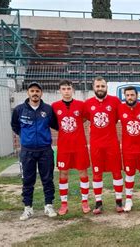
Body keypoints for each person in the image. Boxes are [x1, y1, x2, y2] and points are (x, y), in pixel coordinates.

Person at [11, 82, 58, 221]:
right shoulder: (19, 110)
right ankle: (28, 208)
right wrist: (26, 138)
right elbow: (15, 126)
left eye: (37, 91)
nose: (35, 93)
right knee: (27, 180)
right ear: (28, 93)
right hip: (27, 151)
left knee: (48, 180)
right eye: (32, 91)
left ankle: (48, 206)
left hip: (45, 151)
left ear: (41, 93)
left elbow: (55, 125)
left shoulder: (48, 110)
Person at [84, 76, 124, 214]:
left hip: (112, 143)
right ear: (93, 87)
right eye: (97, 86)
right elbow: (85, 118)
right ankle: (98, 202)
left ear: (106, 87)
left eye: (102, 86)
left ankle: (119, 201)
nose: (100, 89)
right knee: (97, 173)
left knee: (117, 172)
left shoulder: (115, 101)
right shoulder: (88, 103)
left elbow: (119, 117)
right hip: (96, 144)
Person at [52, 80, 91, 216]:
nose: (66, 91)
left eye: (68, 88)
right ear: (60, 90)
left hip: (80, 145)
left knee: (83, 172)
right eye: (64, 89)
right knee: (63, 173)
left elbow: (85, 118)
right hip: (63, 147)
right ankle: (64, 204)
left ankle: (85, 202)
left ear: (73, 90)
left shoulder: (81, 105)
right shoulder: (54, 106)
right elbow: (53, 123)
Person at [118, 86, 140, 212]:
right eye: (127, 95)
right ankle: (128, 199)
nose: (130, 97)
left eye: (132, 95)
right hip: (128, 149)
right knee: (129, 174)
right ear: (124, 96)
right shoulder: (120, 108)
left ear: (137, 96)